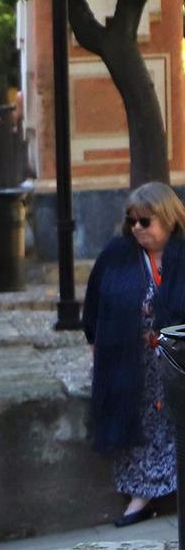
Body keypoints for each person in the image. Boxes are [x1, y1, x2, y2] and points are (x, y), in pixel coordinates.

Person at [83, 182, 185, 526]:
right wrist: (99, 350)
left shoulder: (182, 255)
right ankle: (141, 497)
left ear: (169, 219)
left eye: (146, 221)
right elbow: (94, 307)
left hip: (175, 364)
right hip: (131, 364)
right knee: (139, 428)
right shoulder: (117, 255)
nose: (138, 229)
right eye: (133, 221)